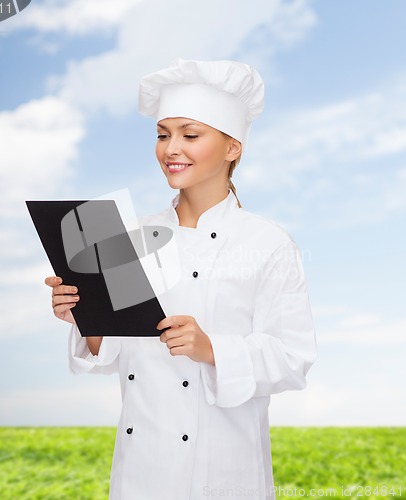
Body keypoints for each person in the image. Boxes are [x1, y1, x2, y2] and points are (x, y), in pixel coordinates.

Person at [45, 58, 317, 500]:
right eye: (162, 134)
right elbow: (116, 353)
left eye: (190, 135)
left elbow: (292, 358)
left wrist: (212, 348)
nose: (171, 148)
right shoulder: (128, 237)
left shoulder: (267, 242)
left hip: (224, 471)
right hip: (140, 473)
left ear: (233, 147)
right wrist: (85, 314)